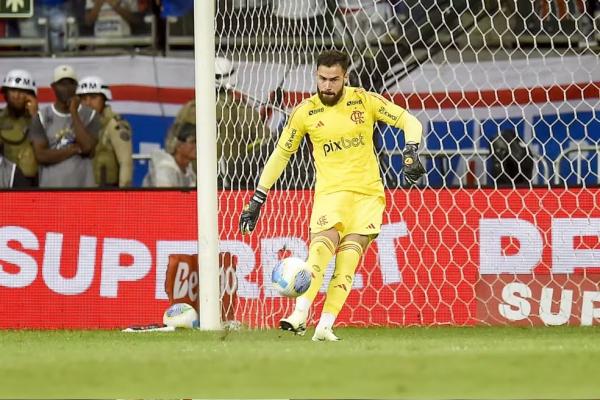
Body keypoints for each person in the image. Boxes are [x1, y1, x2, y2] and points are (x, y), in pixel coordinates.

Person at [238, 50, 425, 341]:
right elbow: (281, 154)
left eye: (334, 80)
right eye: (322, 79)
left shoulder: (365, 100)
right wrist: (258, 198)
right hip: (330, 193)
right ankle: (300, 314)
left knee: (348, 261)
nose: (327, 86)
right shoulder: (305, 112)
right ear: (316, 75)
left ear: (345, 77)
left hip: (368, 195)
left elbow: (411, 122)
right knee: (320, 251)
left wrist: (411, 150)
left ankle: (325, 325)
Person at [164, 57, 271, 189]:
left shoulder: (190, 109)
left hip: (195, 183)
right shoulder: (242, 111)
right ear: (232, 79)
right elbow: (266, 145)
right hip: (233, 183)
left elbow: (172, 145)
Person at [28, 65, 100, 187]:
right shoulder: (41, 117)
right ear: (53, 87)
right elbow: (41, 156)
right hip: (51, 190)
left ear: (76, 86)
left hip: (83, 189)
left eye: (70, 83)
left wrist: (73, 112)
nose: (66, 88)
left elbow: (87, 147)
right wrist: (73, 149)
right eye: (62, 84)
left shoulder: (91, 115)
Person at [76, 76, 133, 187]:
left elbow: (125, 163)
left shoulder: (114, 125)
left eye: (93, 97)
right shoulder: (76, 125)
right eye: (83, 98)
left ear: (104, 99)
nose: (88, 103)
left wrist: (123, 195)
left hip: (106, 191)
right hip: (80, 191)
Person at [0, 69, 39, 186]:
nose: (16, 96)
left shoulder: (43, 119)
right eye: (12, 90)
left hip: (35, 181)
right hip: (7, 181)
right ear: (5, 94)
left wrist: (35, 116)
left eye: (22, 92)